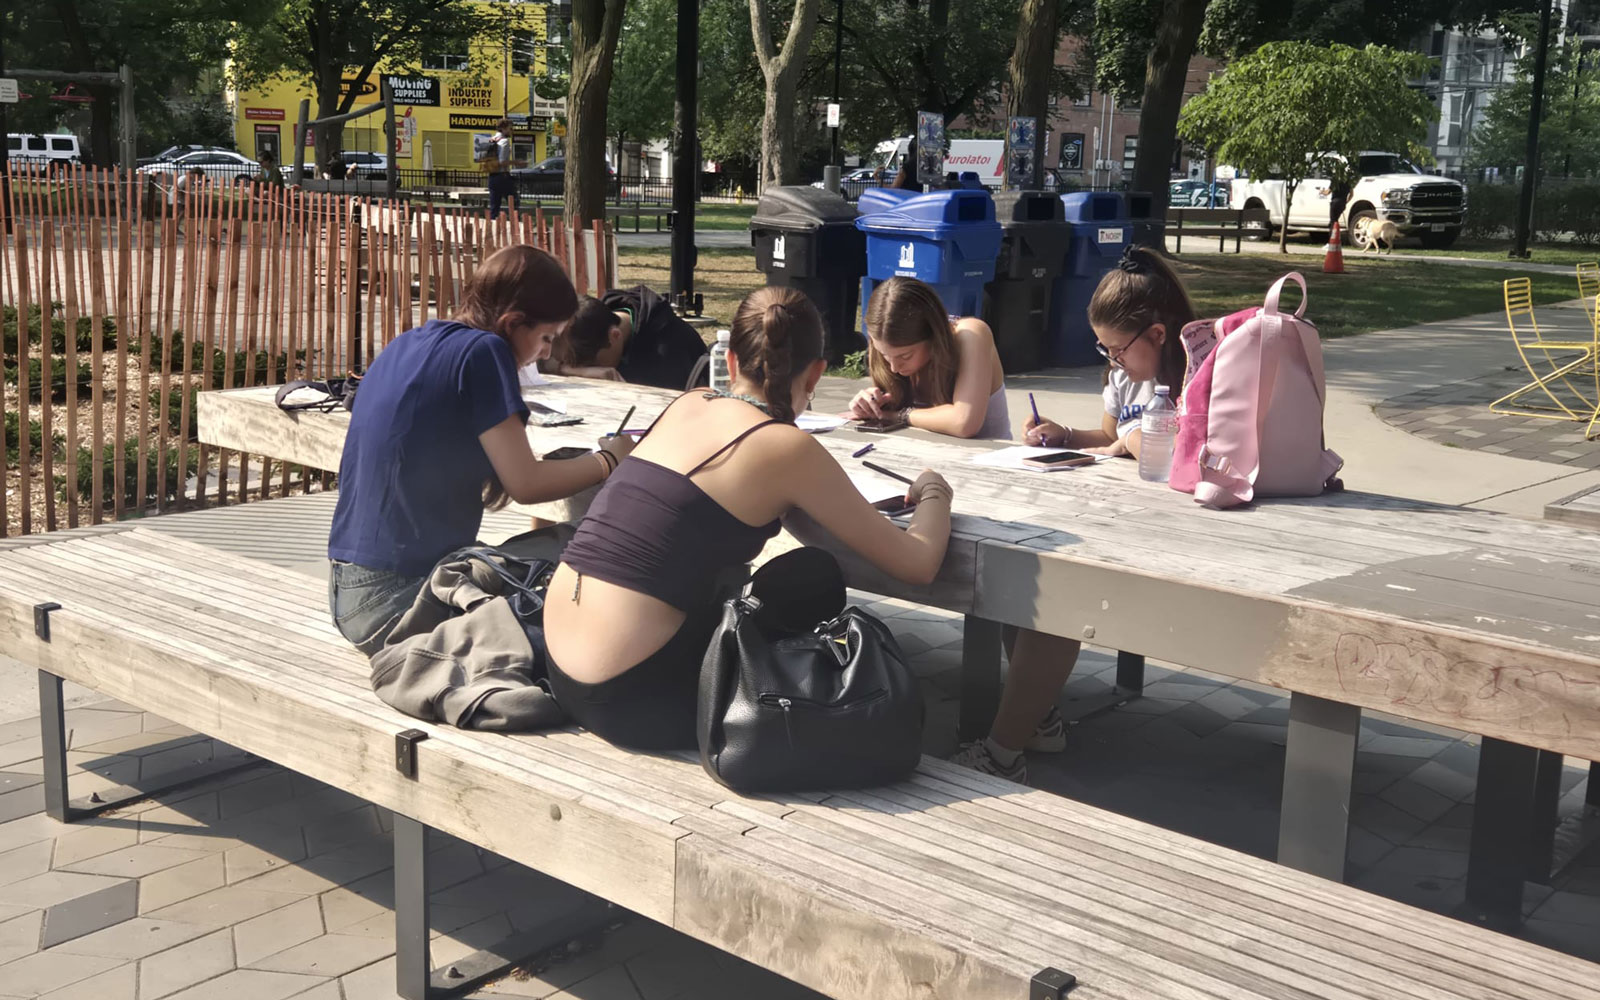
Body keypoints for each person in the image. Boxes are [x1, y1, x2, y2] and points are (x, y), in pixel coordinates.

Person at [542, 287, 953, 751]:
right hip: (633, 698)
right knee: (814, 579)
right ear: (816, 373)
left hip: (560, 664)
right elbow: (918, 564)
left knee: (772, 577)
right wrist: (935, 491)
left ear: (732, 363)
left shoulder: (687, 402)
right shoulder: (788, 447)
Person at [953, 243, 1198, 781]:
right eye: (1103, 349)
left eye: (1117, 351)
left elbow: (1176, 451)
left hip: (1185, 533)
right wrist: (1066, 435)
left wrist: (1133, 439)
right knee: (1018, 577)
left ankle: (1002, 753)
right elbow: (1111, 436)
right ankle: (1035, 717)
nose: (1111, 361)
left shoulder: (1200, 370)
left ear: (1157, 336)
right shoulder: (1130, 373)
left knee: (1054, 596)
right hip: (1121, 513)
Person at [327, 245, 635, 656]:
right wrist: (610, 459)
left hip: (349, 592)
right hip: (398, 601)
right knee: (590, 551)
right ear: (511, 323)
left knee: (553, 553)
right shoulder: (483, 352)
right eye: (546, 338)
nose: (546, 353)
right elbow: (525, 484)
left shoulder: (409, 341)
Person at [848, 276, 1010, 439]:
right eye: (884, 355)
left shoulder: (971, 335)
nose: (894, 368)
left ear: (934, 336)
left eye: (905, 356)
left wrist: (897, 415)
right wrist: (870, 404)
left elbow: (964, 422)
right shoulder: (883, 341)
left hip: (985, 458)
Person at [548, 285, 709, 389]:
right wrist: (569, 369)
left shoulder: (667, 355)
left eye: (591, 363)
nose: (594, 370)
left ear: (615, 336)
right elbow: (536, 363)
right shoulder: (597, 318)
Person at [483, 118, 518, 219]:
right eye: (510, 129)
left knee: (494, 206)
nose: (511, 131)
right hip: (503, 177)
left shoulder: (492, 140)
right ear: (503, 128)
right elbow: (502, 161)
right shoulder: (504, 141)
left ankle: (492, 228)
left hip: (492, 176)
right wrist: (516, 162)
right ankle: (515, 226)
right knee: (514, 202)